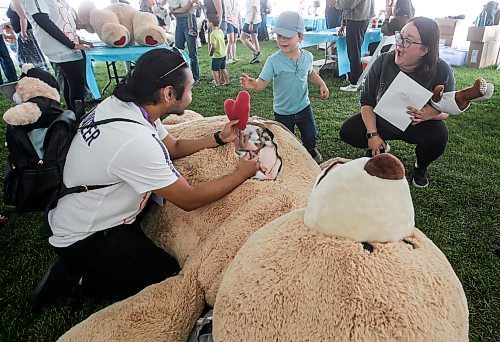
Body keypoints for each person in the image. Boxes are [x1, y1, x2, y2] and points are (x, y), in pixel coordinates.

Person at [31, 48, 259, 309]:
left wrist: (217, 137)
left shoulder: (129, 106)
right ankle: (79, 277)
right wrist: (242, 173)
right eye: (190, 88)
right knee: (167, 278)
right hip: (89, 235)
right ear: (169, 94)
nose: (192, 94)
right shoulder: (134, 140)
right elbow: (189, 199)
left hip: (80, 210)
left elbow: (171, 147)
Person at [339, 17, 455, 188]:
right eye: (400, 36)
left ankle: (420, 166)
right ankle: (381, 146)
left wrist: (431, 113)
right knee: (348, 131)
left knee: (439, 136)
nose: (399, 43)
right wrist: (373, 134)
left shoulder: (441, 71)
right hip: (383, 121)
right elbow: (367, 102)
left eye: (407, 40)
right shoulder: (383, 61)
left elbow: (448, 109)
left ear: (423, 49)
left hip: (416, 125)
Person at [240, 11, 330, 164]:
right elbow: (262, 82)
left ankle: (310, 150)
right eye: (279, 36)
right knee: (285, 140)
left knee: (311, 136)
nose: (282, 40)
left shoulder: (307, 57)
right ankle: (290, 159)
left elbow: (310, 72)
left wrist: (322, 83)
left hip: (303, 107)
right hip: (283, 111)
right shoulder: (273, 61)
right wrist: (254, 84)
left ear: (300, 37)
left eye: (287, 37)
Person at [20, 0, 91, 114]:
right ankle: (79, 117)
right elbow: (42, 19)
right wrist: (71, 44)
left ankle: (73, 114)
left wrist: (77, 39)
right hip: (59, 47)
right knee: (76, 83)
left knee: (72, 82)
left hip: (67, 44)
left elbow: (59, 21)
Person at [332, 0, 375, 92]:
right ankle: (358, 78)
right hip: (361, 18)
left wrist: (335, 3)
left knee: (353, 52)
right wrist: (344, 24)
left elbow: (348, 4)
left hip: (356, 19)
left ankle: (354, 83)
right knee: (355, 51)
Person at [7, 0, 49, 72]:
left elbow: (23, 17)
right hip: (24, 32)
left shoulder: (15, 1)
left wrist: (23, 33)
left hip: (25, 32)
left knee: (32, 59)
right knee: (32, 58)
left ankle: (42, 77)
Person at [171, 0, 200, 82]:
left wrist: (175, 10)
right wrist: (176, 10)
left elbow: (188, 7)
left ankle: (195, 77)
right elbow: (171, 7)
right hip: (179, 20)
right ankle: (182, 76)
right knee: (178, 51)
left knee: (192, 52)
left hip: (189, 20)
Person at [208, 15, 229, 86]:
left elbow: (213, 46)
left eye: (208, 22)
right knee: (223, 68)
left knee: (214, 70)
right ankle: (227, 81)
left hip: (216, 56)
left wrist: (211, 53)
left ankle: (217, 83)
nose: (207, 23)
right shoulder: (220, 31)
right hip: (223, 54)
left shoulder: (212, 34)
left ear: (211, 23)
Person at [241, 0, 262, 64]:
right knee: (254, 37)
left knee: (243, 37)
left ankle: (256, 53)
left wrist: (251, 22)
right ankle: (256, 59)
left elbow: (254, 10)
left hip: (252, 21)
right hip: (253, 20)